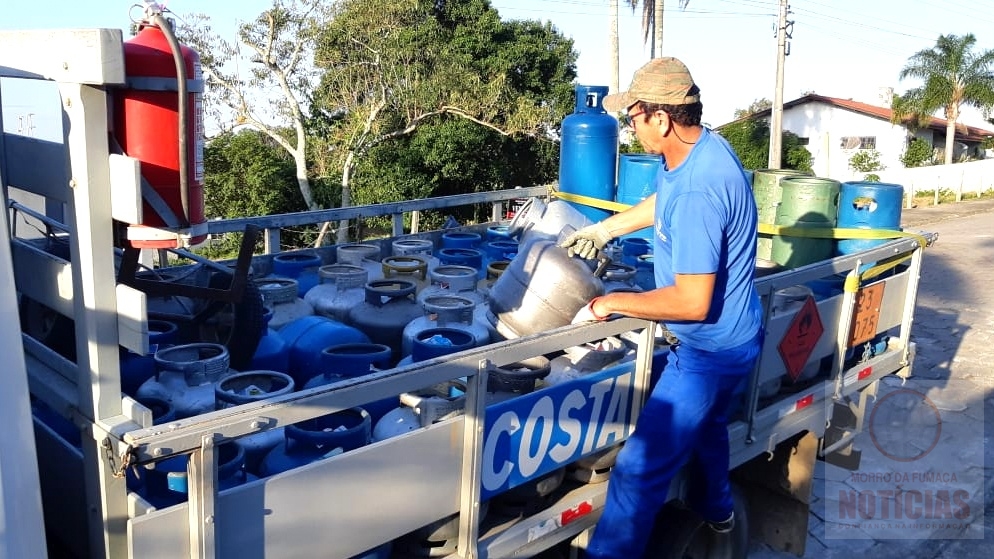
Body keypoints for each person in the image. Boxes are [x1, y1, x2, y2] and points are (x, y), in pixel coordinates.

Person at [560, 57, 763, 558]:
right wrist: (607, 228)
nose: (629, 127)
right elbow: (662, 199)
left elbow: (692, 303)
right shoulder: (700, 150)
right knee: (710, 425)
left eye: (633, 116)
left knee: (636, 471)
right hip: (736, 334)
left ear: (661, 118)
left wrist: (610, 302)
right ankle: (719, 511)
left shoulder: (699, 188)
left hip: (708, 348)